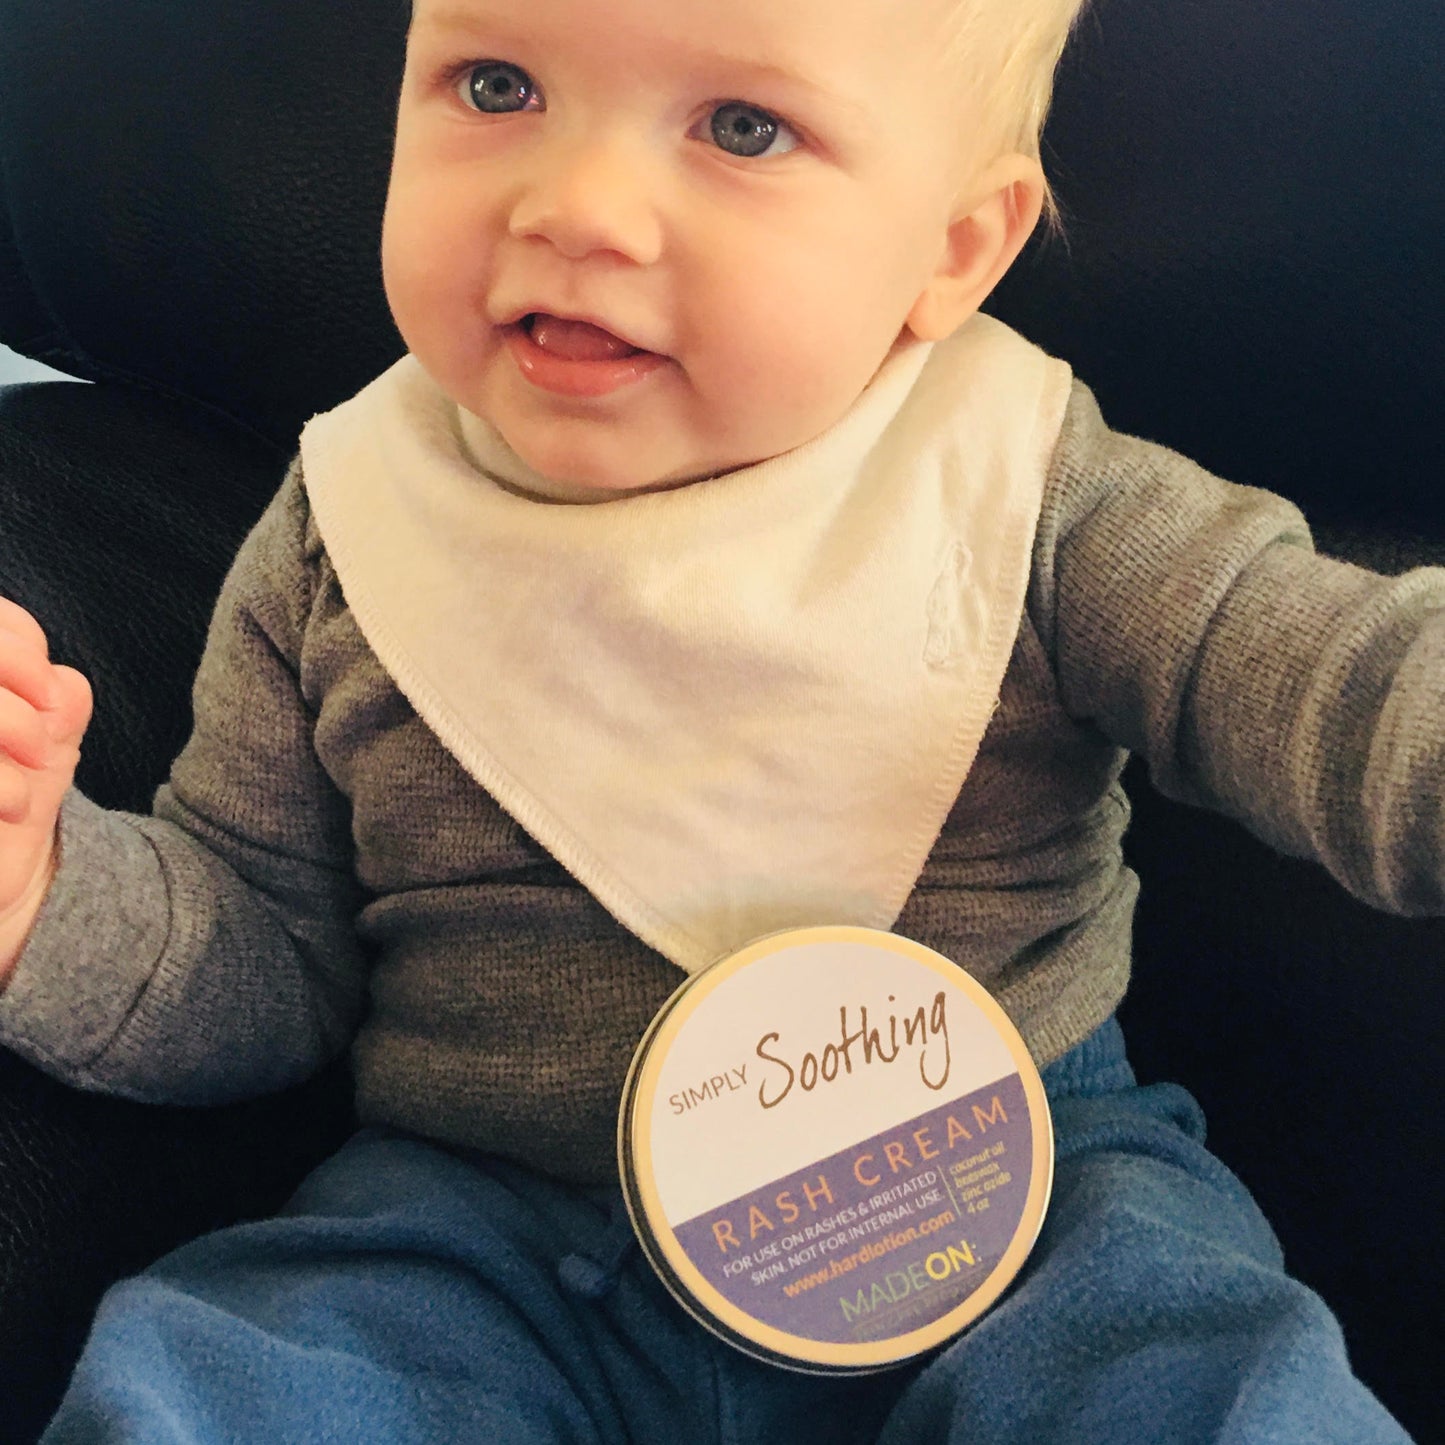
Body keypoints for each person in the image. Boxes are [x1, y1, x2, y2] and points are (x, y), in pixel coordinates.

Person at [0, 0, 1434, 1438]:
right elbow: (256, 948)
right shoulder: (345, 528)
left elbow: (1334, 681)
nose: (575, 206)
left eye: (742, 127)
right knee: (212, 1386)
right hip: (476, 1232)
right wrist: (45, 892)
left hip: (1016, 1197)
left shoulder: (1027, 487)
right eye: (495, 84)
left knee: (1208, 1390)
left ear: (951, 248)